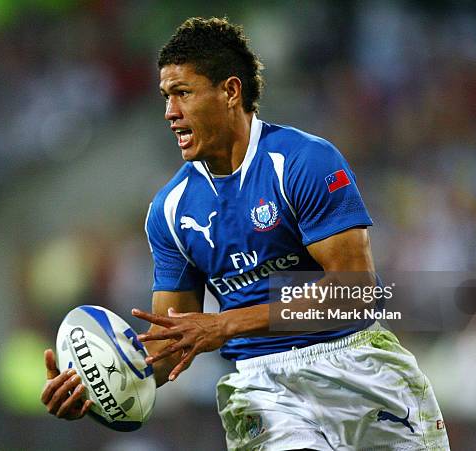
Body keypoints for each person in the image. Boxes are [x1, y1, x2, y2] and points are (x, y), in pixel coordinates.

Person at [41, 17, 450, 450]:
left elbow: (355, 292)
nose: (169, 112)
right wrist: (99, 386)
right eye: (165, 97)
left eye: (183, 93)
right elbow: (174, 343)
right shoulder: (171, 210)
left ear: (230, 91)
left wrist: (224, 324)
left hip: (358, 368)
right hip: (264, 390)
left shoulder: (302, 161)